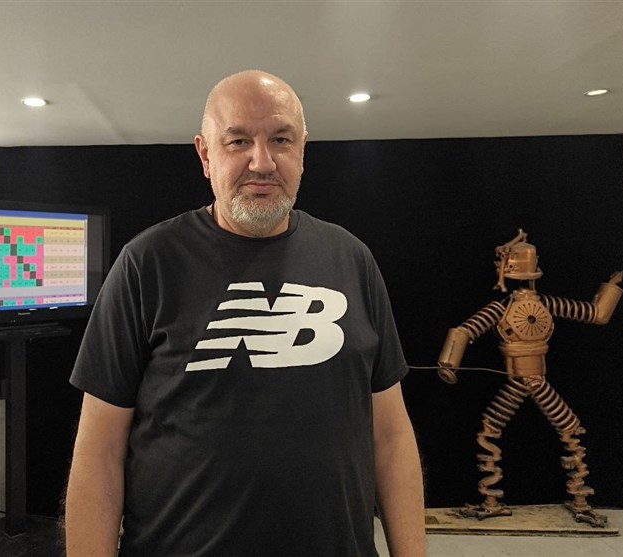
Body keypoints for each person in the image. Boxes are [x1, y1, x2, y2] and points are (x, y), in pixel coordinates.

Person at [65, 70, 427, 557]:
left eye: (281, 139)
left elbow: (390, 435)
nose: (262, 161)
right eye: (238, 141)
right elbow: (99, 451)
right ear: (205, 155)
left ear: (302, 151)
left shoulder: (351, 259)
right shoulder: (148, 263)